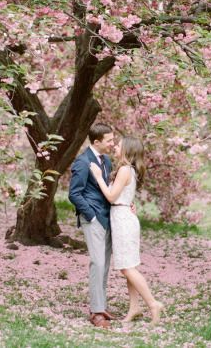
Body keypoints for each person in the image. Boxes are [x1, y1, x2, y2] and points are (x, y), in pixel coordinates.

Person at [90, 136, 164, 325]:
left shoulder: (124, 169)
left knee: (126, 267)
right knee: (129, 265)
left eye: (119, 145)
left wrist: (98, 177)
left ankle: (153, 304)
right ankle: (134, 307)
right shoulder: (127, 169)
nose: (115, 146)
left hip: (123, 219)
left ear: (127, 150)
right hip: (124, 217)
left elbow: (112, 197)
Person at [68, 123, 115, 329]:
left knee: (104, 265)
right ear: (97, 142)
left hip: (108, 219)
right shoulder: (82, 162)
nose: (113, 144)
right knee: (97, 263)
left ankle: (100, 306)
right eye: (110, 141)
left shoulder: (107, 161)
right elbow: (74, 194)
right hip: (94, 219)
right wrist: (92, 216)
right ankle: (96, 312)